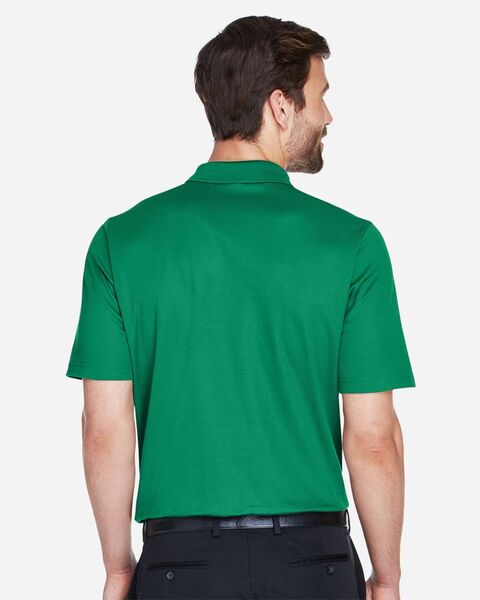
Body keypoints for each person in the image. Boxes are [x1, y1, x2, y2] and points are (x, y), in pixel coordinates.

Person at [66, 15, 416, 600]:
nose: (328, 116)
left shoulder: (120, 242)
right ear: (280, 106)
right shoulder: (352, 244)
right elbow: (374, 437)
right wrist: (387, 578)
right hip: (314, 565)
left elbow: (104, 428)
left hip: (179, 565)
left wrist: (119, 568)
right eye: (319, 96)